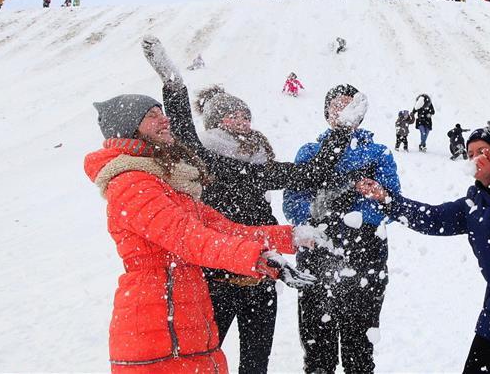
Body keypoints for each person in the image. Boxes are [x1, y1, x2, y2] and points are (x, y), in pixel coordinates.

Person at [142, 37, 343, 374]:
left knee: (255, 365)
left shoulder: (259, 165)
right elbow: (185, 135)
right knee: (202, 360)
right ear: (216, 122)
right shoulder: (203, 159)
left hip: (261, 278)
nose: (243, 121)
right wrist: (174, 87)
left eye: (245, 115)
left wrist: (341, 130)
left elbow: (311, 173)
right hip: (216, 280)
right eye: (234, 116)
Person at [85, 93, 316, 374]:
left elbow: (226, 229)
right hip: (157, 329)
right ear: (129, 126)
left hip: (185, 322)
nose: (164, 119)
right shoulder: (133, 184)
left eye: (162, 112)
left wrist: (290, 237)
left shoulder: (166, 184)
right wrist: (257, 258)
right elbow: (190, 238)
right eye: (152, 115)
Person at [355, 123, 490, 374]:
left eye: (483, 151)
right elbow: (433, 218)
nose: (476, 158)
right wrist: (386, 199)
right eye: (471, 153)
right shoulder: (473, 202)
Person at [283, 84, 401, 374]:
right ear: (326, 113)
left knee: (359, 352)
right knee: (317, 352)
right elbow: (293, 204)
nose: (343, 110)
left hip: (367, 259)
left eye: (350, 105)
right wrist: (328, 210)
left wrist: (346, 214)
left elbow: (390, 203)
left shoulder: (377, 153)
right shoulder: (310, 152)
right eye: (337, 104)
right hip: (316, 257)